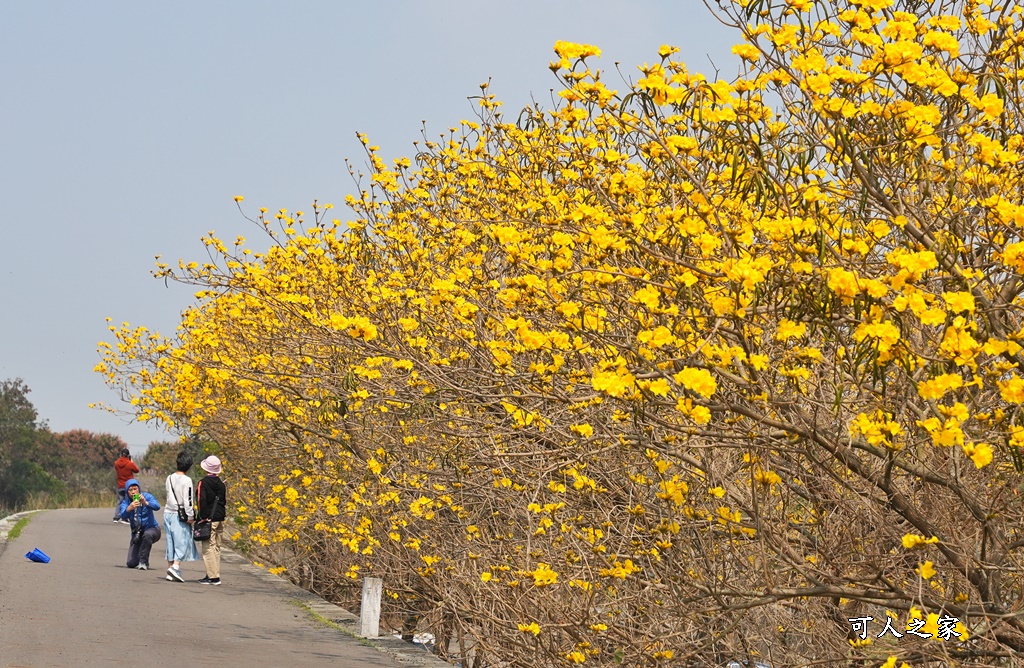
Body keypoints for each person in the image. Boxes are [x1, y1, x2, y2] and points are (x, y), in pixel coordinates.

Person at [163, 451, 199, 582]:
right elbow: (188, 500)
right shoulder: (187, 480)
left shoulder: (169, 478)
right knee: (183, 541)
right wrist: (190, 516)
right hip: (180, 515)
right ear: (189, 466)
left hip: (168, 512)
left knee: (170, 542)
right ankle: (175, 567)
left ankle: (170, 569)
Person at [195, 455, 226, 585]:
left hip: (209, 518)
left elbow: (201, 501)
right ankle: (212, 573)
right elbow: (223, 501)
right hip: (220, 518)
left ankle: (214, 577)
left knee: (208, 548)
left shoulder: (204, 482)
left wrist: (202, 517)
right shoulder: (221, 483)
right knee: (216, 548)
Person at [118, 478, 161, 570]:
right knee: (131, 563)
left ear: (139, 489)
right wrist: (129, 508)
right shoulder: (126, 502)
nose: (133, 492)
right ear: (127, 492)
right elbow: (122, 515)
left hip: (152, 529)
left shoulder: (146, 496)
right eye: (130, 490)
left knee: (147, 535)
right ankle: (139, 555)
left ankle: (143, 562)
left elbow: (157, 506)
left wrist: (145, 502)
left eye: (135, 489)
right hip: (137, 534)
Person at [112, 448, 139, 522]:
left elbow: (118, 466)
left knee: (119, 501)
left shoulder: (116, 463)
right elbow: (137, 470)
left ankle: (116, 517)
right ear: (128, 455)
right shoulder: (129, 463)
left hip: (120, 484)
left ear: (121, 454)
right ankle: (125, 518)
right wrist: (131, 461)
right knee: (128, 501)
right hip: (129, 485)